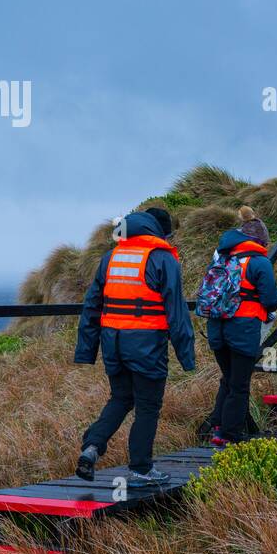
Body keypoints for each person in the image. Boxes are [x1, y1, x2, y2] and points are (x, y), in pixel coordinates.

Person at [74, 208, 195, 486]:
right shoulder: (163, 258)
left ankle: (92, 447)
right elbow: (176, 313)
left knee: (120, 398)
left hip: (112, 345)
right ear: (160, 232)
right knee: (147, 407)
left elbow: (91, 306)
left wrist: (86, 350)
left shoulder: (110, 258)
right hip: (146, 347)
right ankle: (141, 469)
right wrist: (186, 356)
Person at [202, 207, 277, 447]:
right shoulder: (258, 262)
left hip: (217, 330)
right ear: (260, 240)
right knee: (239, 385)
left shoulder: (222, 258)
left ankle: (217, 426)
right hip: (243, 332)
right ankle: (230, 435)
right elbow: (270, 300)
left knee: (228, 379)